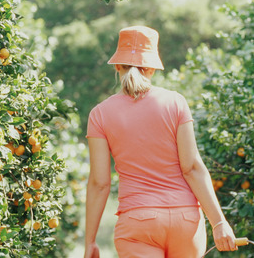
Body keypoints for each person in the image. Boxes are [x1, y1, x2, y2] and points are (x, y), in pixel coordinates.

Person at [84, 26, 237, 258]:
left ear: (117, 65)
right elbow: (192, 167)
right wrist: (219, 222)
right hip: (185, 220)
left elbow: (100, 183)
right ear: (153, 68)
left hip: (138, 221)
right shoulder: (175, 103)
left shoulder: (100, 114)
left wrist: (90, 241)